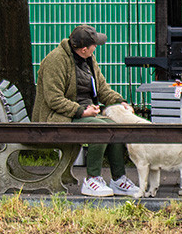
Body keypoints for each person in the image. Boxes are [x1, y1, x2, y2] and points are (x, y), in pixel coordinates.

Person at [32, 24, 139, 198]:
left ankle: (118, 179)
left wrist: (120, 102)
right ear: (83, 49)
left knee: (116, 126)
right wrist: (81, 111)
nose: (96, 47)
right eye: (94, 45)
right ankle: (92, 180)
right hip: (56, 117)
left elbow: (103, 88)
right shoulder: (55, 61)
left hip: (82, 113)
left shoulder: (89, 59)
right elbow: (54, 99)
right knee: (100, 129)